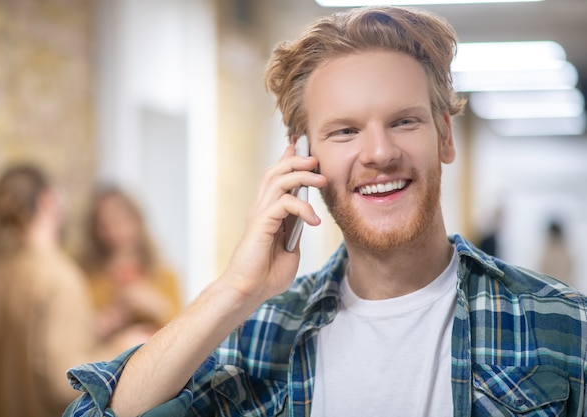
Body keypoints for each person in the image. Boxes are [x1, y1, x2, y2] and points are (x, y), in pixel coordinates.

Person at [65, 6, 587, 417]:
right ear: (302, 158)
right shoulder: (263, 334)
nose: (379, 152)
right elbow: (94, 413)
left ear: (444, 137)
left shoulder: (561, 324)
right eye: (345, 130)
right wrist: (234, 291)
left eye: (404, 121)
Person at [0, 164, 149, 417]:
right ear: (47, 201)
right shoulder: (60, 278)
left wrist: (91, 330)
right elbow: (66, 384)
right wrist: (122, 347)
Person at [78, 185, 184, 341]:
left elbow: (185, 334)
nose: (114, 231)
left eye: (121, 221)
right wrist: (104, 323)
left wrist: (156, 306)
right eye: (104, 224)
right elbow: (77, 336)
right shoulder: (86, 278)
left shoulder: (166, 277)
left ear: (137, 221)